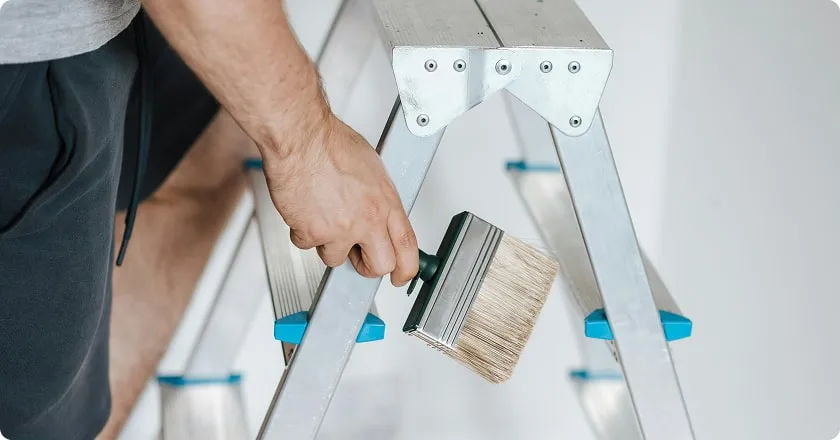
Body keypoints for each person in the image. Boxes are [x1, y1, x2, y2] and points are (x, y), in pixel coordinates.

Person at [0, 1, 420, 438]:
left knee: (216, 132)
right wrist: (308, 144)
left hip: (100, 19)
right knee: (37, 403)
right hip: (24, 58)